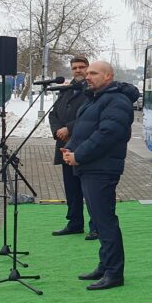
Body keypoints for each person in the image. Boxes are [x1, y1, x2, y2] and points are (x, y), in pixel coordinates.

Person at [61, 61, 140, 291]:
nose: (87, 76)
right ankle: (105, 265)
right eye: (88, 73)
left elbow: (107, 134)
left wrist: (79, 155)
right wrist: (71, 149)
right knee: (99, 217)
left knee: (105, 221)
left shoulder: (117, 101)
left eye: (93, 73)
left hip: (101, 169)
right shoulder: (94, 98)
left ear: (108, 77)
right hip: (89, 166)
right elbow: (84, 129)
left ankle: (114, 273)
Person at [48, 56, 97, 239]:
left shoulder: (92, 91)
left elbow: (91, 116)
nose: (78, 70)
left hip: (83, 147)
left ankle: (96, 226)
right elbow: (53, 114)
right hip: (65, 146)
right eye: (74, 67)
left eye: (82, 67)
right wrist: (58, 131)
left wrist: (68, 128)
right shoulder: (67, 90)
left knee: (89, 189)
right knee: (71, 188)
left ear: (88, 68)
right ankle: (75, 222)